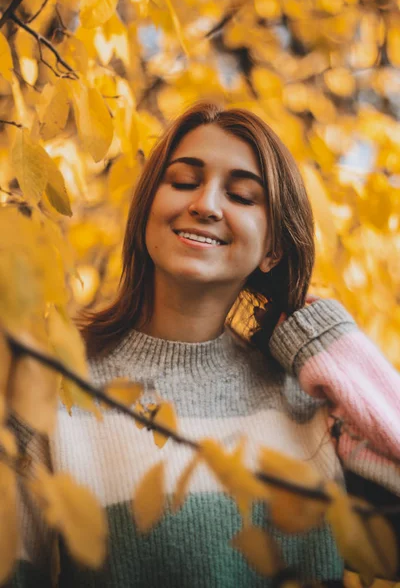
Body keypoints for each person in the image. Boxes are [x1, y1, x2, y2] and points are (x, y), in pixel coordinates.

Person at [10, 101, 400, 588]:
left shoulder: (312, 402)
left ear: (272, 248)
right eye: (183, 182)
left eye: (241, 195)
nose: (206, 205)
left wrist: (324, 337)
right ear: (148, 208)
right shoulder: (54, 389)